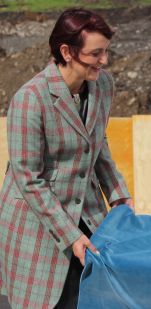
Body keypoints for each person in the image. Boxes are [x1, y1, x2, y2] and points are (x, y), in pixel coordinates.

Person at [0, 8, 133, 309]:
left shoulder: (103, 85)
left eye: (106, 52)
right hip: (38, 222)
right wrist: (70, 235)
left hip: (85, 213)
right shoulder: (29, 100)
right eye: (96, 53)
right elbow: (29, 180)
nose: (104, 61)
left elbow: (98, 145)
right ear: (67, 51)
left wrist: (119, 196)